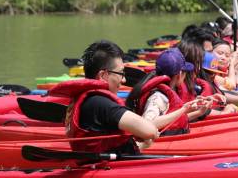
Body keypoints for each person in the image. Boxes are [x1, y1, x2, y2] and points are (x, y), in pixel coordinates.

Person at [58, 40, 204, 155]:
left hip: (110, 163)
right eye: (121, 74)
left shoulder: (87, 99)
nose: (124, 81)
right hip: (110, 171)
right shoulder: (100, 103)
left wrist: (142, 144)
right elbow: (150, 130)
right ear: (103, 75)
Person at [126, 48, 212, 135]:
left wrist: (199, 112)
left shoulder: (170, 90)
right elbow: (147, 124)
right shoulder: (158, 97)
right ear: (179, 74)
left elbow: (173, 121)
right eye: (185, 72)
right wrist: (183, 110)